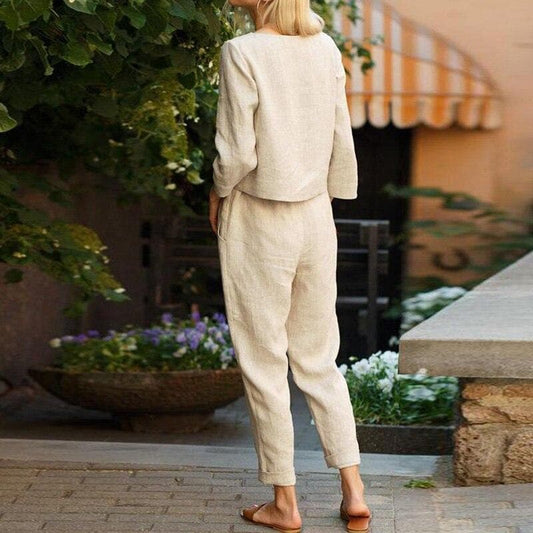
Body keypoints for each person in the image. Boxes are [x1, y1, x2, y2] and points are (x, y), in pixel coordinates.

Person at [208, 1, 371, 531]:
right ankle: (354, 492)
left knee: (264, 361)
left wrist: (218, 191)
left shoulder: (242, 51)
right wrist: (331, 196)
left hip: (259, 218)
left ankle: (285, 502)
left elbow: (237, 150)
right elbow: (341, 135)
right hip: (316, 216)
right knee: (319, 359)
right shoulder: (324, 48)